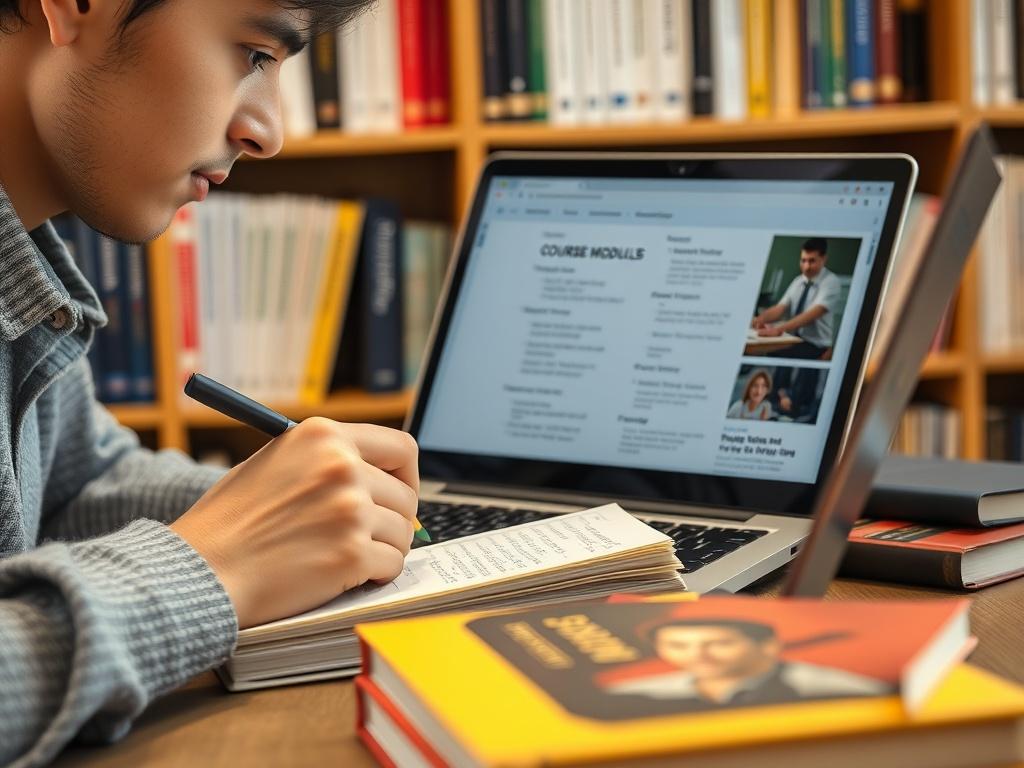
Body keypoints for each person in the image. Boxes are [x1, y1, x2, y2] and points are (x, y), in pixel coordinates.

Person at [0, 2, 422, 766]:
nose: (268, 131)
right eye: (254, 55)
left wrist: (313, 511)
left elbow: (77, 485)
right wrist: (221, 567)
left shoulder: (21, 260)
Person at [605, 618, 891, 709]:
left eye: (720, 643)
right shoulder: (630, 692)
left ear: (767, 646)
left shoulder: (844, 692)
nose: (697, 656)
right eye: (677, 646)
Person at [751, 237, 842, 360]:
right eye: (803, 260)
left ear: (824, 259)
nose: (806, 267)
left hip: (815, 345)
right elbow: (781, 308)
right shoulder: (798, 281)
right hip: (793, 340)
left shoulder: (831, 282)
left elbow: (812, 315)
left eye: (812, 261)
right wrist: (759, 320)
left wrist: (778, 329)